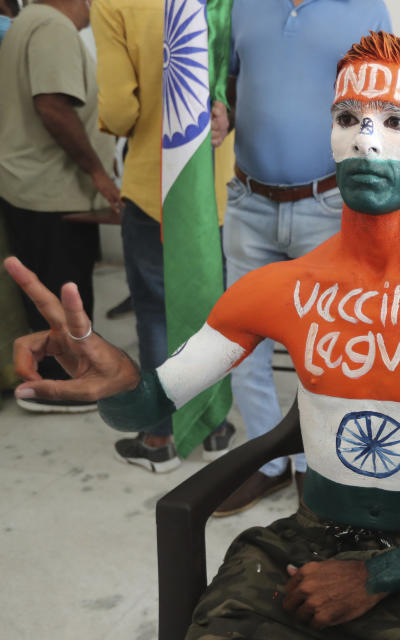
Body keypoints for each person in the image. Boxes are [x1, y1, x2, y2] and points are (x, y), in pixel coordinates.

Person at [6, 33, 400, 638]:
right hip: (305, 540)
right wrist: (113, 383)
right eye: (347, 118)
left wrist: (375, 576)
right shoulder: (277, 288)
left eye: (396, 120)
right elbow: (147, 405)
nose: (366, 140)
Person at [208, 0, 392, 515]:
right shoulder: (240, 6)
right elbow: (231, 84)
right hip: (249, 202)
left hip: (327, 204)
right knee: (240, 344)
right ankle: (267, 464)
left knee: (325, 349)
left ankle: (317, 471)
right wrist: (223, 110)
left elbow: (386, 106)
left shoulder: (367, 9)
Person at [89, 0, 237, 472]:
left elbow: (118, 109)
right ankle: (214, 426)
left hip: (155, 186)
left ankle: (160, 438)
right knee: (216, 312)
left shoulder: (114, 4)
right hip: (219, 187)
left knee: (155, 311)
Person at [0, 0, 120, 413]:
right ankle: (60, 389)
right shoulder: (51, 26)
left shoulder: (29, 21)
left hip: (35, 187)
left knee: (51, 291)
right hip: (53, 191)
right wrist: (98, 173)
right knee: (63, 294)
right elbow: (51, 104)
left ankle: (51, 379)